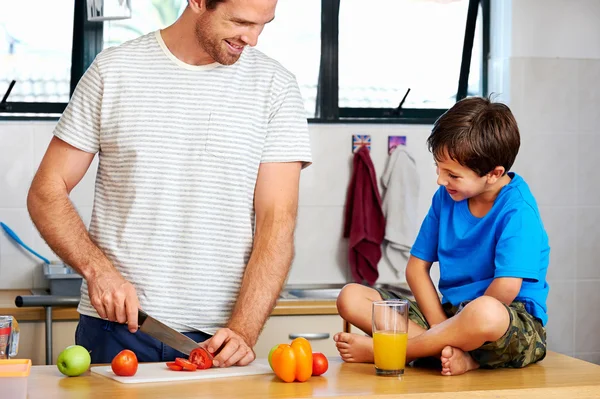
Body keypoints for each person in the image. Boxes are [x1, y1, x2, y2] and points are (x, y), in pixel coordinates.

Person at [27, 0, 311, 367]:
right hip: (116, 330)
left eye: (263, 25)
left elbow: (277, 222)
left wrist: (244, 330)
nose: (252, 39)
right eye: (240, 22)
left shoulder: (276, 87)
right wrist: (98, 272)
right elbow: (46, 190)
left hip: (218, 342)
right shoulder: (114, 70)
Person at [333, 96, 549, 376]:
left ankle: (392, 350)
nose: (440, 180)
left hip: (508, 321)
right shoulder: (446, 198)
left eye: (452, 174)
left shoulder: (519, 210)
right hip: (450, 315)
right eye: (439, 168)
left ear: (494, 174)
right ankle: (450, 353)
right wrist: (440, 328)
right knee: (350, 297)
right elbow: (416, 269)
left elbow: (505, 291)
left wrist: (458, 325)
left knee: (485, 312)